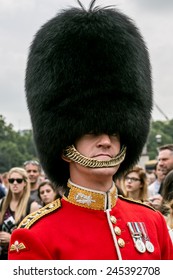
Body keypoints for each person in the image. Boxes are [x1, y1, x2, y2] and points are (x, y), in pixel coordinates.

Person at [8, 0, 173, 260]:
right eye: (92, 132)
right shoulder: (36, 236)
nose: (106, 141)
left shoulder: (152, 223)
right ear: (64, 147)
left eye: (115, 132)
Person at [0, 167, 40, 259]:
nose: (15, 183)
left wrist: (12, 239)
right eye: (11, 180)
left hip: (21, 257)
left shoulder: (32, 205)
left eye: (19, 180)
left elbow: (35, 237)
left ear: (25, 183)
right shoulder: (2, 203)